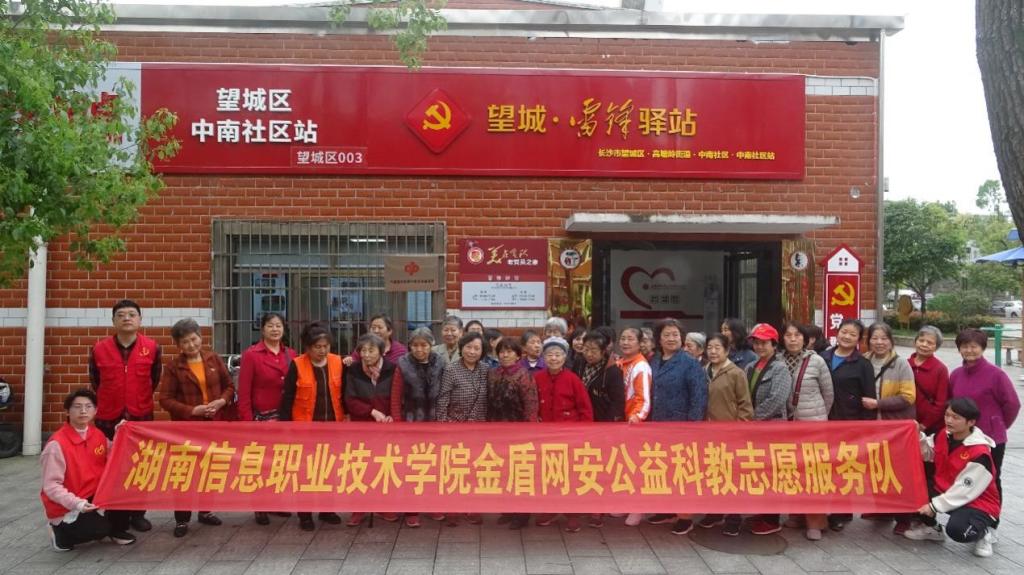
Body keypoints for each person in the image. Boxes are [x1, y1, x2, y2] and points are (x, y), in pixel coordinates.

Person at [157, 318, 235, 538]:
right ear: (178, 345)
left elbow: (229, 386)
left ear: (201, 337)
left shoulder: (213, 359)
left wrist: (221, 401)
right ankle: (182, 519)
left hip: (214, 425)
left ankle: (206, 510)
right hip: (187, 429)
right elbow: (165, 399)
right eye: (185, 342)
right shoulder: (174, 367)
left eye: (194, 339)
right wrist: (192, 410)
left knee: (209, 469)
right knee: (185, 472)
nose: (191, 345)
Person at [88, 299, 161, 533]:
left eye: (131, 314)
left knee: (140, 465)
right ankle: (112, 512)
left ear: (140, 319)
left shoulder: (152, 347)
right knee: (109, 467)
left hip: (140, 416)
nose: (126, 318)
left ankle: (137, 513)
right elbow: (96, 381)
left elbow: (154, 379)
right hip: (108, 417)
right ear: (113, 321)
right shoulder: (99, 349)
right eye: (121, 315)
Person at [903, 398, 1001, 558]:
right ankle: (932, 528)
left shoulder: (979, 453)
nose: (949, 420)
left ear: (971, 422)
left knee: (957, 530)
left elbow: (965, 490)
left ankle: (984, 532)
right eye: (947, 415)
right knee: (910, 488)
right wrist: (917, 435)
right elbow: (928, 453)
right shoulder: (944, 435)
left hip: (978, 503)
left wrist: (934, 506)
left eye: (955, 417)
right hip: (946, 490)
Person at [41, 389, 135, 552]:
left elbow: (114, 457)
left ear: (95, 411)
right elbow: (51, 486)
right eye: (77, 407)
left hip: (95, 496)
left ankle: (113, 529)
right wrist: (77, 503)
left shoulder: (97, 434)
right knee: (98, 529)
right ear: (68, 411)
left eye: (88, 406)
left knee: (126, 488)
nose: (83, 411)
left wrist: (120, 434)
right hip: (69, 504)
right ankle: (59, 532)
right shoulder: (56, 444)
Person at [280, 322, 346, 531]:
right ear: (308, 348)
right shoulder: (297, 364)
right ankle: (305, 514)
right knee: (306, 472)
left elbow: (344, 394)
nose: (322, 350)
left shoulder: (337, 362)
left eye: (326, 346)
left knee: (329, 470)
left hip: (332, 428)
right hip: (305, 430)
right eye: (317, 347)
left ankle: (327, 510)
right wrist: (285, 427)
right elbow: (287, 398)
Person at [647, 319, 707, 535]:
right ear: (659, 339)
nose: (671, 338)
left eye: (675, 335)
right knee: (662, 468)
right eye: (667, 335)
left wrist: (693, 427)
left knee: (682, 471)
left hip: (681, 426)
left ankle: (685, 516)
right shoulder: (654, 360)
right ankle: (666, 509)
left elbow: (698, 397)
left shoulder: (689, 363)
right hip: (657, 424)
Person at [236, 312, 298, 525]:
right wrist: (246, 422)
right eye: (270, 325)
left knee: (279, 461)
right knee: (261, 463)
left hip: (284, 417)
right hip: (260, 418)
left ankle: (276, 502)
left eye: (278, 325)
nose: (275, 329)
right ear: (262, 329)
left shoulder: (290, 354)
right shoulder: (251, 355)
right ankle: (260, 505)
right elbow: (244, 391)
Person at [950, 328, 1020, 505]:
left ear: (982, 348)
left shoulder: (996, 374)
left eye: (974, 346)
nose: (969, 350)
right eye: (964, 346)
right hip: (963, 437)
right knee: (965, 479)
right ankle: (968, 514)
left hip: (991, 438)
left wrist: (998, 424)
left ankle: (992, 515)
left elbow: (1012, 404)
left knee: (991, 478)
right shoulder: (956, 375)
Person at [778, 321, 833, 540]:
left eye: (797, 335)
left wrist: (817, 417)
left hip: (812, 426)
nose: (793, 339)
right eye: (788, 335)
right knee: (793, 470)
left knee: (813, 473)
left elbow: (828, 394)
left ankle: (816, 522)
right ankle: (796, 515)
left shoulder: (817, 361)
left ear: (806, 339)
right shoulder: (778, 360)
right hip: (787, 426)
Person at [820, 318, 875, 532]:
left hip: (849, 423)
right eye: (844, 332)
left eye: (853, 334)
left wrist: (865, 430)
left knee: (844, 468)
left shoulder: (863, 364)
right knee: (825, 467)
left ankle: (841, 513)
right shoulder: (823, 357)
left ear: (859, 339)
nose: (846, 336)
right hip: (823, 420)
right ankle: (822, 509)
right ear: (838, 332)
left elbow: (869, 399)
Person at [534, 337, 593, 533]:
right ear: (543, 358)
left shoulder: (573, 379)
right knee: (548, 473)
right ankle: (550, 509)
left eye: (558, 355)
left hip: (570, 436)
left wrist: (584, 434)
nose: (554, 358)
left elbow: (585, 409)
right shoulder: (537, 378)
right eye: (549, 355)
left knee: (570, 475)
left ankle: (572, 514)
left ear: (565, 357)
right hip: (545, 437)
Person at [698, 333, 753, 535]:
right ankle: (715, 512)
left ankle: (733, 517)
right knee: (712, 474)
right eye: (710, 347)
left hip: (730, 434)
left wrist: (739, 432)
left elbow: (745, 406)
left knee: (732, 477)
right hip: (708, 434)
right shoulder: (703, 371)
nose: (713, 352)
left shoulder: (736, 373)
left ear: (727, 350)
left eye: (717, 348)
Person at [740, 323, 793, 536]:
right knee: (757, 471)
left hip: (772, 429)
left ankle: (771, 519)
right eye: (756, 342)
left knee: (772, 473)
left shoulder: (780, 368)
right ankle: (760, 512)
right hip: (753, 429)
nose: (760, 346)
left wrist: (751, 418)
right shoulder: (750, 367)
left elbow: (777, 400)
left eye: (764, 343)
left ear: (774, 344)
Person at [344, 333, 402, 527]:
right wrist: (371, 411)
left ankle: (384, 506)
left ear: (382, 351)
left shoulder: (392, 369)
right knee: (360, 466)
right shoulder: (353, 370)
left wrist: (392, 415)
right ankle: (358, 509)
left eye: (371, 350)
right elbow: (350, 399)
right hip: (361, 425)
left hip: (386, 426)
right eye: (363, 350)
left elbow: (397, 395)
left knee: (385, 466)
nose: (366, 354)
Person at [393, 327, 447, 527]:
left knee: (433, 466)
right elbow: (396, 395)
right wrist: (397, 422)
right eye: (415, 345)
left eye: (424, 345)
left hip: (434, 422)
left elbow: (445, 393)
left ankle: (433, 504)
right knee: (412, 467)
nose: (419, 349)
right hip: (411, 422)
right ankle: (411, 509)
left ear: (431, 345)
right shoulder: (403, 364)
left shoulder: (440, 363)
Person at [436, 332, 490, 526]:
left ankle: (473, 507)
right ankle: (453, 508)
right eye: (468, 347)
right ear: (461, 348)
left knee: (476, 469)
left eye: (476, 348)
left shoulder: (485, 370)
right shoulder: (451, 369)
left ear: (482, 351)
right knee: (455, 469)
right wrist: (443, 425)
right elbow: (443, 398)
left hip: (478, 428)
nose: (472, 352)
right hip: (455, 427)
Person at [486, 337, 539, 530]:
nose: (505, 355)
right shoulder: (493, 374)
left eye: (509, 352)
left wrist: (528, 433)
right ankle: (507, 509)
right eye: (501, 351)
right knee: (503, 472)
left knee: (520, 472)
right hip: (497, 430)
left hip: (518, 432)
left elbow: (531, 406)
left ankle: (522, 513)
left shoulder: (524, 376)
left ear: (518, 355)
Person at [616, 326, 652, 527]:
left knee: (637, 466)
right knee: (623, 464)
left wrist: (637, 417)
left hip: (635, 425)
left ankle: (639, 508)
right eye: (623, 338)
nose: (626, 342)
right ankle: (625, 503)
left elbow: (643, 398)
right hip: (620, 423)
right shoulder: (620, 363)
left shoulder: (641, 366)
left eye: (630, 339)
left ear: (639, 343)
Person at [909, 325, 950, 436]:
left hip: (931, 427)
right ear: (915, 342)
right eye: (921, 340)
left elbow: (941, 403)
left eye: (930, 343)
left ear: (936, 347)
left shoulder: (940, 369)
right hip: (907, 423)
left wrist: (924, 425)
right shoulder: (904, 364)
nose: (924, 345)